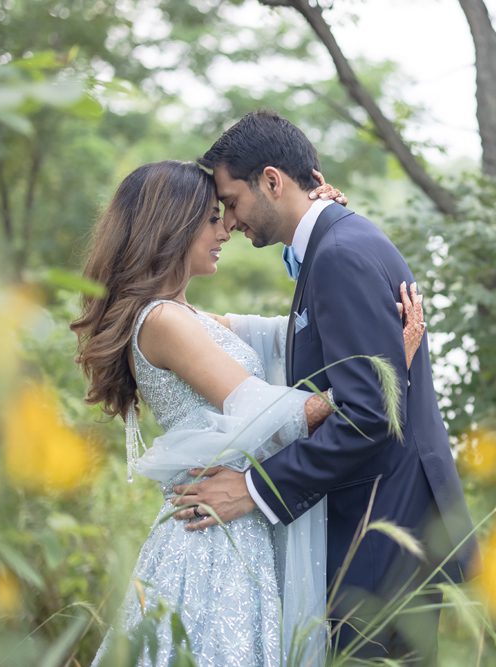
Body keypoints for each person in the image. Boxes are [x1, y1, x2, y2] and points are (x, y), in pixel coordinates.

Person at [71, 159, 425, 666]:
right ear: (170, 225)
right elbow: (271, 413)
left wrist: (313, 229)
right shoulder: (164, 321)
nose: (227, 230)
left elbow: (298, 335)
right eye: (213, 219)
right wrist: (390, 364)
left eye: (226, 213)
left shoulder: (191, 317)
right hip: (211, 535)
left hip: (233, 520)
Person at [171, 111, 477, 662]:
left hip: (381, 526)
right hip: (383, 515)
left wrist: (253, 489)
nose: (231, 222)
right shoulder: (332, 245)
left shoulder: (340, 255)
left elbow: (372, 415)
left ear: (271, 180)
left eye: (232, 202)